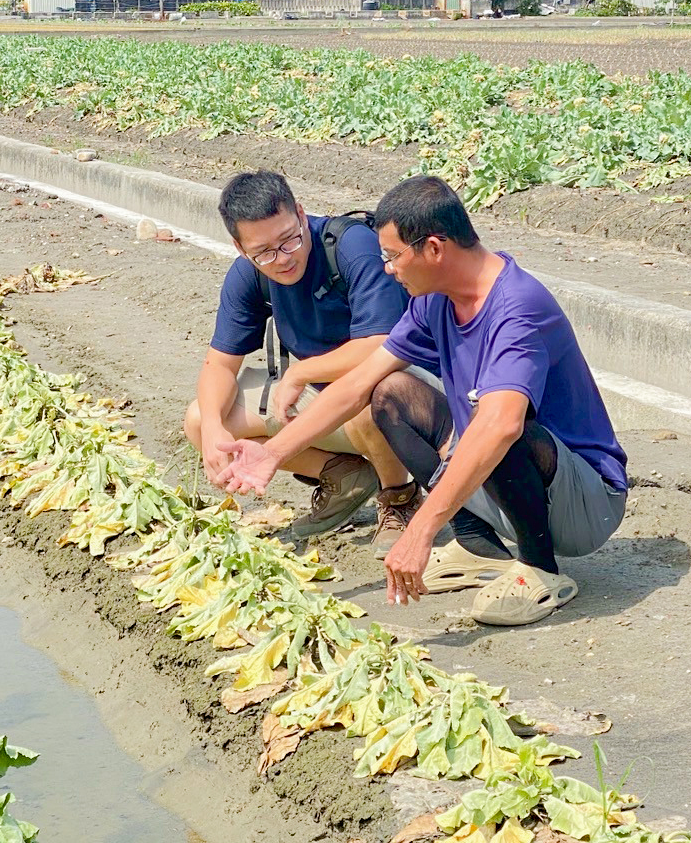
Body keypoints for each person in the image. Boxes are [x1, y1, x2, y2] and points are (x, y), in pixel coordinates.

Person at [217, 175, 628, 626]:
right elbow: (357, 385)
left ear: (434, 248)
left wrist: (422, 528)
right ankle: (478, 545)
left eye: (393, 256)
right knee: (389, 394)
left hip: (584, 504)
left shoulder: (516, 309)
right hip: (517, 483)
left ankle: (540, 569)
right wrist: (274, 453)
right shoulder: (435, 300)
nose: (388, 269)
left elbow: (503, 428)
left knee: (495, 422)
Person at [185, 170, 442, 545]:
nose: (282, 259)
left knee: (372, 397)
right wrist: (211, 427)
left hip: (403, 399)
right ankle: (342, 475)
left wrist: (301, 372)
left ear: (302, 215)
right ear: (241, 249)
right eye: (264, 253)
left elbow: (381, 345)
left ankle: (399, 498)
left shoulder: (351, 246)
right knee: (199, 417)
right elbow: (219, 365)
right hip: (320, 399)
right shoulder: (248, 276)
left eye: (289, 240)